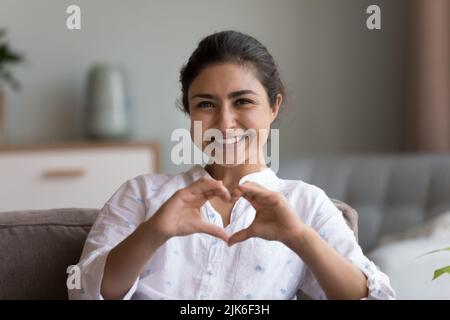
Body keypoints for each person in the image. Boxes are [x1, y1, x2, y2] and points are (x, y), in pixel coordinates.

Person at [68, 30, 396, 300]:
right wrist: (154, 232)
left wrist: (299, 238)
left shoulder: (305, 205)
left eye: (243, 102)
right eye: (206, 104)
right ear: (189, 113)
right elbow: (82, 291)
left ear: (273, 106)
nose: (225, 124)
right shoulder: (141, 193)